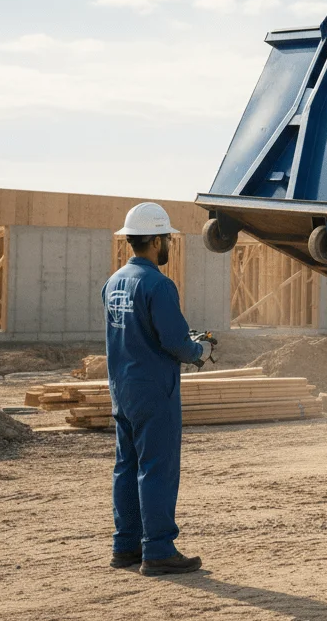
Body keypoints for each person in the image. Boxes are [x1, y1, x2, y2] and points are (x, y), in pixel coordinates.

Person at [103, 202, 211, 575]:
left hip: (122, 388)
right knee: (157, 468)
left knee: (126, 466)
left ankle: (126, 546)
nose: (168, 244)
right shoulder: (159, 285)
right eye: (166, 238)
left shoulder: (114, 281)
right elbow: (176, 343)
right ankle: (159, 550)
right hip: (154, 391)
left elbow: (139, 332)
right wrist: (201, 350)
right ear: (153, 240)